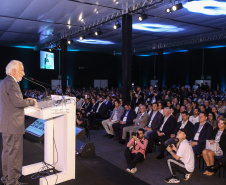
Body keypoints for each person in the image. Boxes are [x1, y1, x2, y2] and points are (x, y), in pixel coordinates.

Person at [0, 60, 37, 185]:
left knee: (7, 152)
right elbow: (18, 103)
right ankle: (13, 181)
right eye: (21, 70)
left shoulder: (4, 82)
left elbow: (11, 101)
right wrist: (31, 101)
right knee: (14, 155)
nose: (23, 73)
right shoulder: (12, 83)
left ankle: (6, 178)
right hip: (13, 125)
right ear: (14, 70)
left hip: (6, 124)